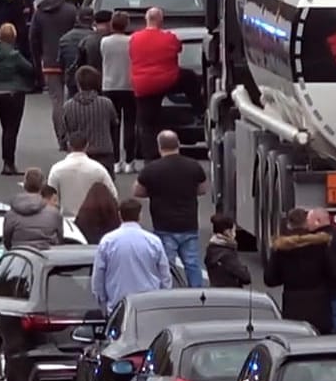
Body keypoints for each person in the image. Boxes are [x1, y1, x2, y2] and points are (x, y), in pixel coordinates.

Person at [134, 130, 208, 286]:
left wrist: (154, 191)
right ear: (179, 144)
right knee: (192, 263)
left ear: (159, 147)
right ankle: (197, 293)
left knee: (166, 264)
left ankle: (168, 293)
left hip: (164, 225)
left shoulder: (152, 169)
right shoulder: (193, 166)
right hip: (189, 224)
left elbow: (137, 191)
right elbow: (202, 189)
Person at [91, 198, 172, 314]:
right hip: (149, 306)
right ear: (140, 215)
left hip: (117, 307)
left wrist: (103, 302)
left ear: (120, 215)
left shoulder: (107, 241)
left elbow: (98, 277)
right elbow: (165, 276)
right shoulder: (153, 241)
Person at [265, 207, 336, 333]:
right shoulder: (320, 245)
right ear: (306, 223)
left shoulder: (281, 248)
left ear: (289, 225)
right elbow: (334, 272)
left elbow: (270, 279)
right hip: (319, 306)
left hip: (293, 307)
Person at [0, 22, 39, 175]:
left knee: (5, 128)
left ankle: (6, 161)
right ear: (13, 37)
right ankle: (9, 162)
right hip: (14, 92)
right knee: (12, 129)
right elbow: (29, 69)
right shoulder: (14, 55)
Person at [128, 7, 181, 152]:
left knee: (146, 125)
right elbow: (178, 48)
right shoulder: (169, 38)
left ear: (146, 20)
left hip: (142, 86)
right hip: (167, 81)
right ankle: (199, 109)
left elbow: (131, 55)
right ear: (160, 20)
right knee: (190, 78)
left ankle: (149, 158)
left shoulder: (134, 38)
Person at [31, 0, 77, 141]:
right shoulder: (71, 10)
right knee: (72, 98)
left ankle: (61, 137)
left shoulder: (40, 11)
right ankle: (74, 136)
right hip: (71, 60)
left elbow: (33, 38)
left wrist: (38, 59)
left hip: (50, 61)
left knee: (57, 101)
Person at [60, 65, 119, 176]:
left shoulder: (68, 106)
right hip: (104, 153)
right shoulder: (106, 103)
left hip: (78, 155)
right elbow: (114, 125)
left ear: (78, 84)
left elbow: (64, 133)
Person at [101, 11, 138, 171]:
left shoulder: (104, 42)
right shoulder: (132, 41)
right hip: (129, 85)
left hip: (109, 85)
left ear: (111, 24)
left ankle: (115, 161)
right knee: (130, 123)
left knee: (113, 126)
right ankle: (130, 160)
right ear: (126, 25)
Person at [49, 132, 116, 218]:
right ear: (87, 146)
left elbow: (50, 197)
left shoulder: (57, 169)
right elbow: (113, 195)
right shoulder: (98, 169)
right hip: (92, 219)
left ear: (68, 145)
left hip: (66, 220)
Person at [309, 208, 336, 333]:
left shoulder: (316, 242)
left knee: (329, 334)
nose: (308, 226)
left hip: (328, 295)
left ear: (318, 222)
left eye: (310, 221)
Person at [4, 167, 64, 248]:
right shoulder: (54, 214)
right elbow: (60, 239)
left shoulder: (11, 215)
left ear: (24, 184)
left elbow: (7, 241)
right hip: (47, 256)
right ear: (42, 185)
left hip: (20, 255)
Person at [205, 214, 253, 288]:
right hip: (231, 293)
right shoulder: (227, 255)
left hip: (216, 291)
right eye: (234, 231)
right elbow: (246, 277)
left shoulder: (211, 249)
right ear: (227, 232)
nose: (235, 234)